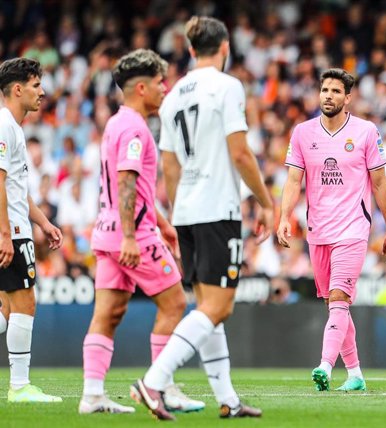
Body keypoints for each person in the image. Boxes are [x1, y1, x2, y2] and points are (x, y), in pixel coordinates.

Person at [132, 16, 273, 420]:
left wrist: (179, 215)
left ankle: (227, 399)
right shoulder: (228, 87)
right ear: (225, 47)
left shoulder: (173, 94)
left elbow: (170, 167)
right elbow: (241, 153)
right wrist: (266, 201)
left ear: (192, 50)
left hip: (188, 210)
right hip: (216, 207)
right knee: (220, 307)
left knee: (207, 305)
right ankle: (154, 381)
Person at [80, 49, 203, 414]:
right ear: (140, 87)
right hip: (129, 235)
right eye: (159, 82)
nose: (165, 88)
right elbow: (127, 182)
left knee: (109, 311)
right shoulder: (134, 127)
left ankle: (92, 395)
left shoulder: (116, 123)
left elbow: (138, 188)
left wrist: (164, 225)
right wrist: (134, 236)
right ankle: (161, 386)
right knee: (176, 303)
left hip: (106, 233)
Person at [278, 68, 386, 392]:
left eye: (335, 91)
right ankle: (356, 374)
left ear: (348, 98)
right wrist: (283, 218)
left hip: (353, 228)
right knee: (334, 305)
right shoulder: (302, 133)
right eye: (324, 90)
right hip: (318, 230)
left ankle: (325, 367)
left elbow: (379, 182)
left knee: (338, 297)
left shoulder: (365, 131)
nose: (328, 95)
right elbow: (293, 181)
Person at [0, 57, 64, 402]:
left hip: (18, 225)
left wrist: (44, 222)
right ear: (18, 88)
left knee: (7, 309)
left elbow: (15, 189)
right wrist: (5, 233)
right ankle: (20, 386)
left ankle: (20, 385)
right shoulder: (4, 125)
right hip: (10, 231)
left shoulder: (13, 127)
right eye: (37, 85)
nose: (43, 92)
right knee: (24, 304)